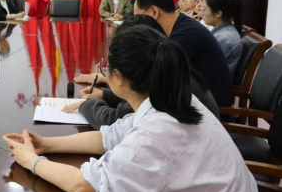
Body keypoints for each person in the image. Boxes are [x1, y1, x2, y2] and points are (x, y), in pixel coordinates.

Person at [3, 26, 265, 192]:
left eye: (106, 67)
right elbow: (108, 136)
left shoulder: (159, 130)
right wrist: (46, 144)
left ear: (118, 78)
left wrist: (32, 161)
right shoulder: (171, 98)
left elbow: (82, 185)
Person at [64, 15, 220, 128]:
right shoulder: (167, 67)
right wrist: (105, 94)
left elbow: (112, 121)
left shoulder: (157, 89)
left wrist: (87, 104)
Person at [134, 0, 234, 107]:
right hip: (191, 98)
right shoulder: (180, 25)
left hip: (208, 108)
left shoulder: (186, 35)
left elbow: (158, 77)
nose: (137, 24)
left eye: (138, 17)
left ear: (154, 12)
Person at [202, 0, 244, 76]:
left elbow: (205, 68)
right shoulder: (223, 31)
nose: (202, 13)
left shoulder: (225, 38)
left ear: (218, 13)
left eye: (204, 9)